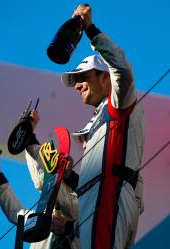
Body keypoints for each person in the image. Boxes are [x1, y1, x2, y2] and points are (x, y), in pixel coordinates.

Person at [60, 4, 145, 249]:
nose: (77, 85)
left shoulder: (119, 101)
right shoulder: (100, 117)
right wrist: (67, 176)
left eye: (83, 77)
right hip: (100, 200)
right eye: (75, 80)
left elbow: (122, 69)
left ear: (104, 77)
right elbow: (91, 183)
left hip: (111, 196)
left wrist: (90, 30)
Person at [0, 110, 79, 249]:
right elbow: (15, 213)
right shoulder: (47, 222)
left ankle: (29, 141)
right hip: (58, 218)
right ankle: (29, 141)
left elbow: (16, 213)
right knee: (49, 189)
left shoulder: (79, 211)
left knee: (54, 192)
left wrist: (68, 227)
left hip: (77, 221)